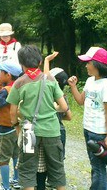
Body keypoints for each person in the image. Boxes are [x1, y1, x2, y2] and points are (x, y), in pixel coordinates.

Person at [6, 45, 67, 190]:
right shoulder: (50, 79)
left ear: (22, 65)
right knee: (57, 169)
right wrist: (53, 109)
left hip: (28, 130)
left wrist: (16, 125)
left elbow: (12, 113)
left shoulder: (19, 83)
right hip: (51, 129)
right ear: (39, 61)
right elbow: (64, 107)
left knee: (28, 170)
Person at [68, 47, 107, 190]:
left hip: (99, 132)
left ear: (98, 65)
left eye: (89, 63)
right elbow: (81, 101)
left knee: (98, 169)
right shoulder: (89, 81)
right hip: (87, 128)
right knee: (95, 166)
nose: (86, 65)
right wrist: (73, 86)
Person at [36, 52, 72, 190]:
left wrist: (46, 60)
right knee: (57, 162)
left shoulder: (47, 93)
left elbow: (47, 77)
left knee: (42, 163)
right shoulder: (61, 96)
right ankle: (53, 182)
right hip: (60, 131)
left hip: (48, 132)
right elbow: (69, 116)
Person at [0, 60, 22, 190]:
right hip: (16, 127)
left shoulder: (5, 91)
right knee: (15, 154)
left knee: (3, 158)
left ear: (8, 75)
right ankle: (17, 180)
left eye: (1, 72)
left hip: (5, 128)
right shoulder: (18, 87)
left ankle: (5, 186)